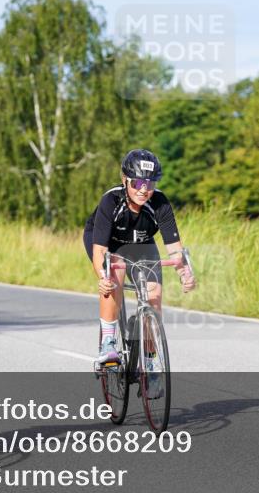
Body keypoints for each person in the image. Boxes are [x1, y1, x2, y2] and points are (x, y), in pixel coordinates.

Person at [83, 149, 196, 371]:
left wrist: (185, 273)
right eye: (137, 183)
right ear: (125, 180)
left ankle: (150, 361)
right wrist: (103, 277)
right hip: (109, 243)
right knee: (114, 276)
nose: (144, 190)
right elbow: (100, 251)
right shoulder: (111, 201)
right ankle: (108, 343)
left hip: (141, 244)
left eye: (150, 184)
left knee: (154, 297)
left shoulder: (160, 203)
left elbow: (174, 248)